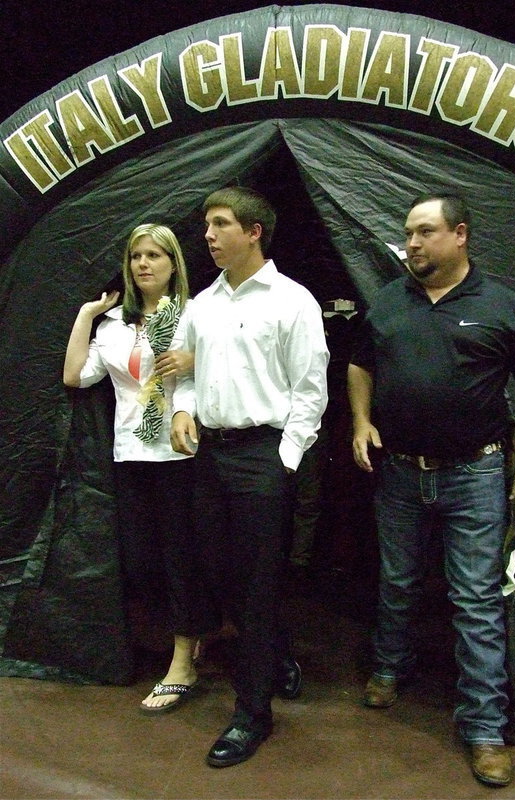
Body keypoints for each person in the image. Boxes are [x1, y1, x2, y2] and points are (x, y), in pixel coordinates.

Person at [347, 192, 515, 787]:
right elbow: (360, 364)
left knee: (476, 599)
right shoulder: (389, 302)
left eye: (423, 232)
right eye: (408, 233)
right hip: (400, 471)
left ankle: (486, 731)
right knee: (397, 579)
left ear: (460, 234)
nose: (411, 244)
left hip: (477, 474)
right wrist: (361, 420)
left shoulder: (504, 307)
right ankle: (390, 667)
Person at [170, 186, 329, 767]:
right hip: (210, 456)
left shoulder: (293, 302)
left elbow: (311, 393)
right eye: (206, 225)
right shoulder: (202, 304)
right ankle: (277, 657)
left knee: (257, 585)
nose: (207, 236)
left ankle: (251, 714)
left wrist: (284, 460)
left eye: (218, 224)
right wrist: (183, 406)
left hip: (264, 454)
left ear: (253, 231)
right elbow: (183, 372)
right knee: (224, 577)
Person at [64, 223, 218, 714]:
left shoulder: (192, 316)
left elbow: (209, 375)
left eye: (155, 255)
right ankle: (193, 633)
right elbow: (75, 376)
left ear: (174, 263)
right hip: (130, 452)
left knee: (180, 558)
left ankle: (182, 664)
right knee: (141, 560)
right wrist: (88, 315)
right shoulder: (113, 325)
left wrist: (185, 402)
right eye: (136, 256)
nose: (144, 264)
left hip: (180, 453)